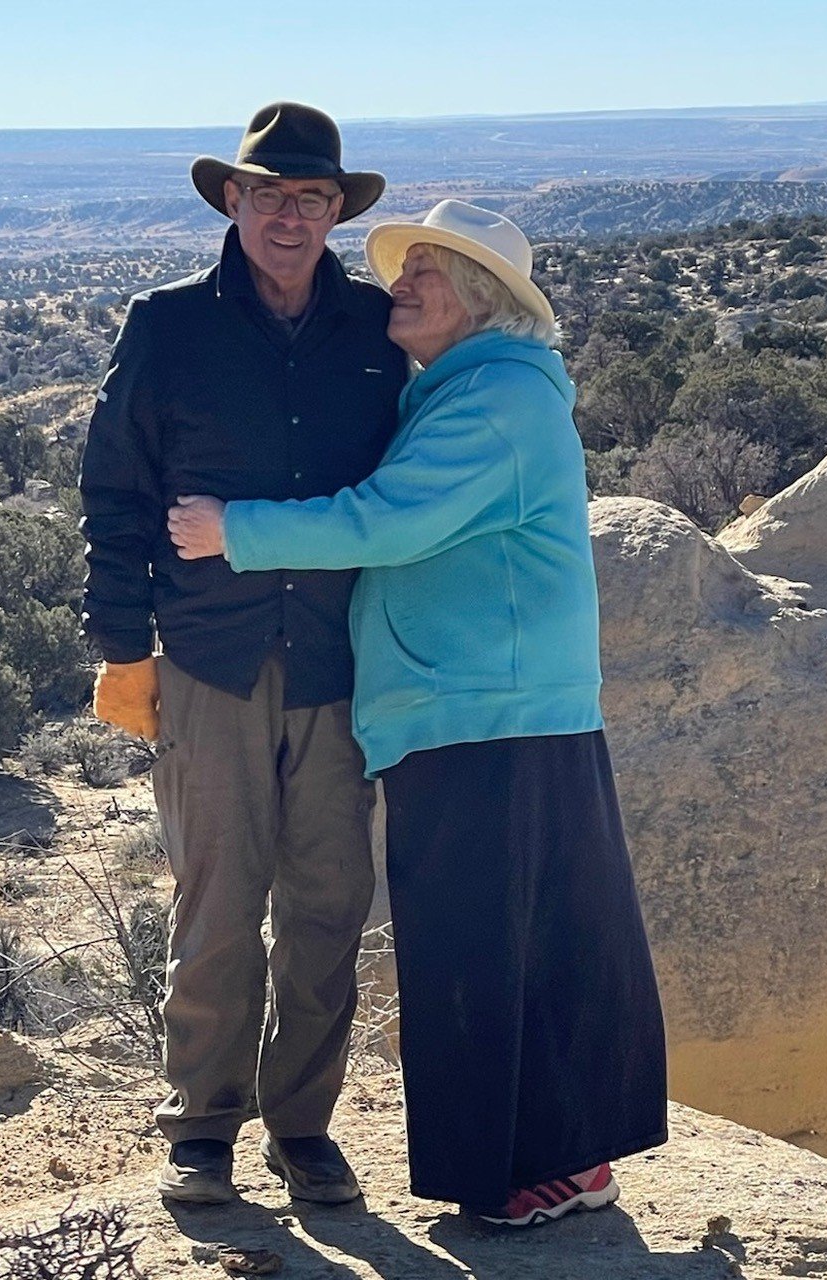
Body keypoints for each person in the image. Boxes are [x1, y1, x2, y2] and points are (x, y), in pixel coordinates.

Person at [167, 199, 668, 1226]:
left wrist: (236, 531)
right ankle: (560, 1161)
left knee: (484, 946)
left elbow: (391, 520)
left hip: (488, 706)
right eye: (404, 267)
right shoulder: (465, 390)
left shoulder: (493, 403)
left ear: (481, 300)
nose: (404, 283)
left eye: (431, 270)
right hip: (482, 701)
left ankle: (533, 1169)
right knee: (520, 939)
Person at [79, 102, 407, 1205]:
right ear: (233, 200)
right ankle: (202, 1123)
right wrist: (125, 647)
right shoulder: (167, 325)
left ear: (334, 212)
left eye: (312, 198)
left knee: (328, 899)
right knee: (216, 903)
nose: (289, 215)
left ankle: (301, 1125)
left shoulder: (374, 329)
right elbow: (115, 490)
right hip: (208, 660)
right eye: (269, 193)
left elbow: (410, 488)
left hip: (336, 659)